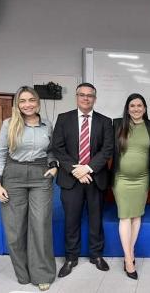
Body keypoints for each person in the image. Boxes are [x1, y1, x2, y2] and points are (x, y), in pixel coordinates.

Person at [0, 86, 56, 291]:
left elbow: (52, 151)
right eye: (22, 101)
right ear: (17, 104)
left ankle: (42, 274)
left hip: (40, 176)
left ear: (37, 102)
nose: (27, 104)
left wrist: (54, 167)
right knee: (15, 229)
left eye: (31, 100)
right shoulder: (8, 124)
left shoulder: (48, 124)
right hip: (14, 177)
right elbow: (0, 154)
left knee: (40, 226)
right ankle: (23, 273)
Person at [52, 83, 114, 278]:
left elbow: (107, 149)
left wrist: (87, 168)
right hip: (71, 180)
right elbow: (58, 148)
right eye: (82, 95)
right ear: (77, 97)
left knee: (96, 219)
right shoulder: (63, 119)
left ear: (95, 98)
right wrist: (76, 170)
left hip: (96, 178)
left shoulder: (105, 121)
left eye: (90, 96)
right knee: (71, 220)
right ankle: (71, 257)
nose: (86, 98)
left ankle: (96, 255)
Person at [112, 93, 150, 280]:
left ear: (145, 108)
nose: (136, 109)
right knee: (125, 216)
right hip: (121, 179)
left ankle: (129, 253)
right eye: (132, 106)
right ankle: (129, 260)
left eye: (140, 105)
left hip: (143, 178)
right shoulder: (116, 124)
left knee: (136, 217)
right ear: (127, 108)